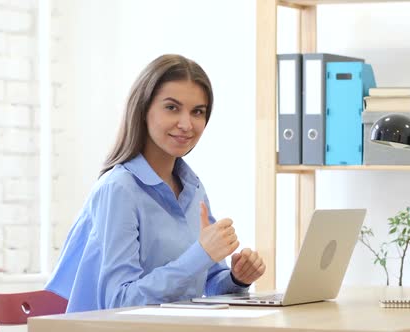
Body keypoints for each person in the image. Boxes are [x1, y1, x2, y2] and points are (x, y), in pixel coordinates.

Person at [45, 54, 266, 313]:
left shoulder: (193, 188)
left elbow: (208, 284)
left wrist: (237, 278)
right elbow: (119, 302)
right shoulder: (119, 189)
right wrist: (201, 254)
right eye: (172, 107)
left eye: (198, 112)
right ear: (143, 110)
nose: (186, 124)